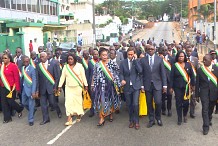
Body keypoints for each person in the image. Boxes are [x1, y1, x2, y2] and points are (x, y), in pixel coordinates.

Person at [93, 47, 121, 126]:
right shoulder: (97, 64)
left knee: (111, 100)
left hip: (111, 85)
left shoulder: (111, 62)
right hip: (101, 86)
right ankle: (102, 117)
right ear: (100, 56)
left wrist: (115, 79)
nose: (105, 56)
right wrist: (94, 85)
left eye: (106, 55)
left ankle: (110, 114)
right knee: (102, 101)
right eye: (103, 55)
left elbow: (118, 70)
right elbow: (95, 76)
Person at [140, 45, 167, 128]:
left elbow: (163, 73)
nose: (150, 50)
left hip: (157, 85)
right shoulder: (143, 60)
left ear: (155, 50)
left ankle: (158, 118)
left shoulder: (159, 59)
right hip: (147, 85)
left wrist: (165, 85)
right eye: (149, 49)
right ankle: (151, 119)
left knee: (158, 102)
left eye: (152, 49)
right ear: (147, 50)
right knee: (149, 103)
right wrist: (142, 85)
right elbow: (141, 74)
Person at [58, 54, 88, 125]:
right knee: (68, 102)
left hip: (78, 87)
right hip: (68, 88)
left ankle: (78, 114)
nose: (70, 60)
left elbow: (83, 76)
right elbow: (62, 77)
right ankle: (69, 118)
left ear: (74, 59)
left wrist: (86, 85)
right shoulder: (65, 67)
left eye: (71, 59)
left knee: (77, 102)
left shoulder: (79, 66)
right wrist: (59, 86)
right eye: (69, 59)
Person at [170, 51, 195, 125]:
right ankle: (179, 118)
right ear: (177, 57)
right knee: (178, 103)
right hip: (177, 87)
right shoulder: (175, 65)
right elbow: (171, 77)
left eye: (182, 56)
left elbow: (192, 76)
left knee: (186, 103)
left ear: (184, 57)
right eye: (179, 56)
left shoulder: (188, 65)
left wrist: (193, 85)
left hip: (186, 87)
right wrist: (171, 87)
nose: (181, 58)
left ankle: (185, 115)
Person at [36, 52, 62, 125]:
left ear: (47, 57)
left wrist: (55, 87)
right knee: (43, 105)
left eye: (43, 56)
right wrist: (37, 90)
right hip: (42, 89)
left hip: (51, 87)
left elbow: (57, 77)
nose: (42, 58)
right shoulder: (38, 66)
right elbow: (37, 79)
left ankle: (58, 111)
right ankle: (46, 119)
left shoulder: (53, 64)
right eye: (41, 57)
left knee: (52, 103)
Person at [120, 47, 142, 130]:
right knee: (129, 105)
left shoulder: (137, 61)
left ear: (134, 54)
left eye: (131, 54)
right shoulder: (123, 62)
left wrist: (135, 60)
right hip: (127, 87)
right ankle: (131, 120)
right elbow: (121, 73)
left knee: (135, 104)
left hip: (136, 86)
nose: (130, 56)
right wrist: (122, 79)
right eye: (128, 54)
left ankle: (136, 121)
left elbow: (140, 71)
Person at [195, 54, 218, 135]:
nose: (204, 61)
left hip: (214, 92)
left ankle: (209, 118)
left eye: (206, 60)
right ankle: (205, 126)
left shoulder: (216, 69)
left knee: (210, 108)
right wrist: (197, 95)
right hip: (204, 93)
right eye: (203, 60)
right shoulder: (200, 70)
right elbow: (197, 83)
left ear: (211, 60)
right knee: (204, 109)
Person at [0, 53, 24, 123]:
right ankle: (7, 118)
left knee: (10, 101)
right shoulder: (1, 66)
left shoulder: (13, 66)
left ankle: (19, 109)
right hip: (3, 87)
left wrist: (18, 89)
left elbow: (16, 78)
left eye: (5, 58)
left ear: (9, 59)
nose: (3, 59)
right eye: (3, 58)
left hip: (11, 88)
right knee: (4, 103)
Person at [158, 46, 174, 117]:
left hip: (169, 80)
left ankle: (169, 109)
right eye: (163, 50)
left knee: (169, 95)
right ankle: (163, 109)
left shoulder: (171, 59)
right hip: (161, 80)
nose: (164, 51)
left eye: (165, 50)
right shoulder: (158, 59)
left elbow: (173, 70)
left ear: (168, 50)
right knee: (162, 96)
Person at [21, 56, 37, 126]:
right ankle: (33, 110)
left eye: (27, 61)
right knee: (23, 102)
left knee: (31, 105)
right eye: (24, 61)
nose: (26, 63)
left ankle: (31, 119)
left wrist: (33, 91)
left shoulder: (32, 69)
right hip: (24, 89)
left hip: (30, 89)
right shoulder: (23, 68)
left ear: (29, 61)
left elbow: (34, 81)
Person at [185, 46, 198, 118]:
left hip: (193, 81)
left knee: (193, 98)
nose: (189, 52)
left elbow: (197, 70)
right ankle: (185, 113)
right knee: (186, 98)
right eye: (188, 51)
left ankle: (192, 112)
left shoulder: (195, 59)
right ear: (185, 51)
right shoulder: (183, 59)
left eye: (190, 51)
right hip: (186, 81)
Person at [87, 50, 99, 117]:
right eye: (94, 54)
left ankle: (99, 110)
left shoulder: (100, 62)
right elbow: (88, 73)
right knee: (92, 97)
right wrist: (88, 84)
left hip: (99, 82)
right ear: (92, 55)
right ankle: (92, 111)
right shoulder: (90, 62)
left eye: (97, 54)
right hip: (92, 83)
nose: (96, 55)